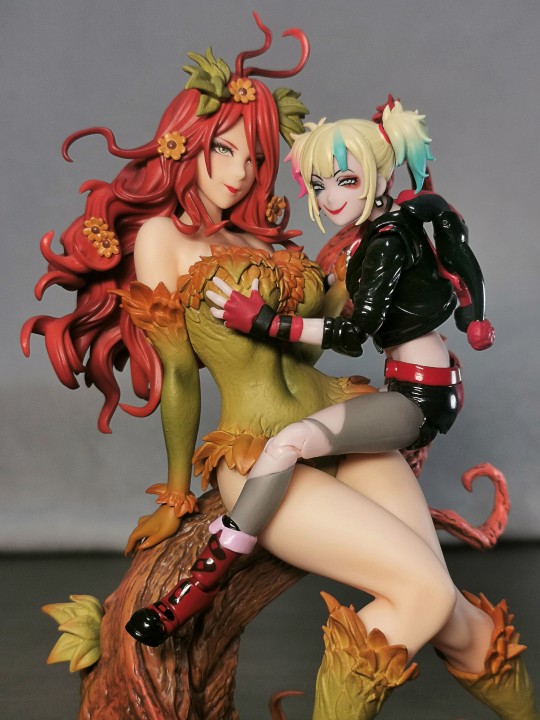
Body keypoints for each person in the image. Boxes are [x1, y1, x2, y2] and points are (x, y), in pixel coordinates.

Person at [22, 20, 536, 715]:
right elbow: (179, 375)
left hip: (343, 419)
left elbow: (312, 348)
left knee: (449, 609)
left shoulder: (264, 239)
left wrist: (383, 274)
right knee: (423, 591)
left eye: (254, 154)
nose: (239, 170)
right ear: (186, 142)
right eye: (224, 147)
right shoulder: (163, 240)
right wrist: (175, 494)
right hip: (257, 450)